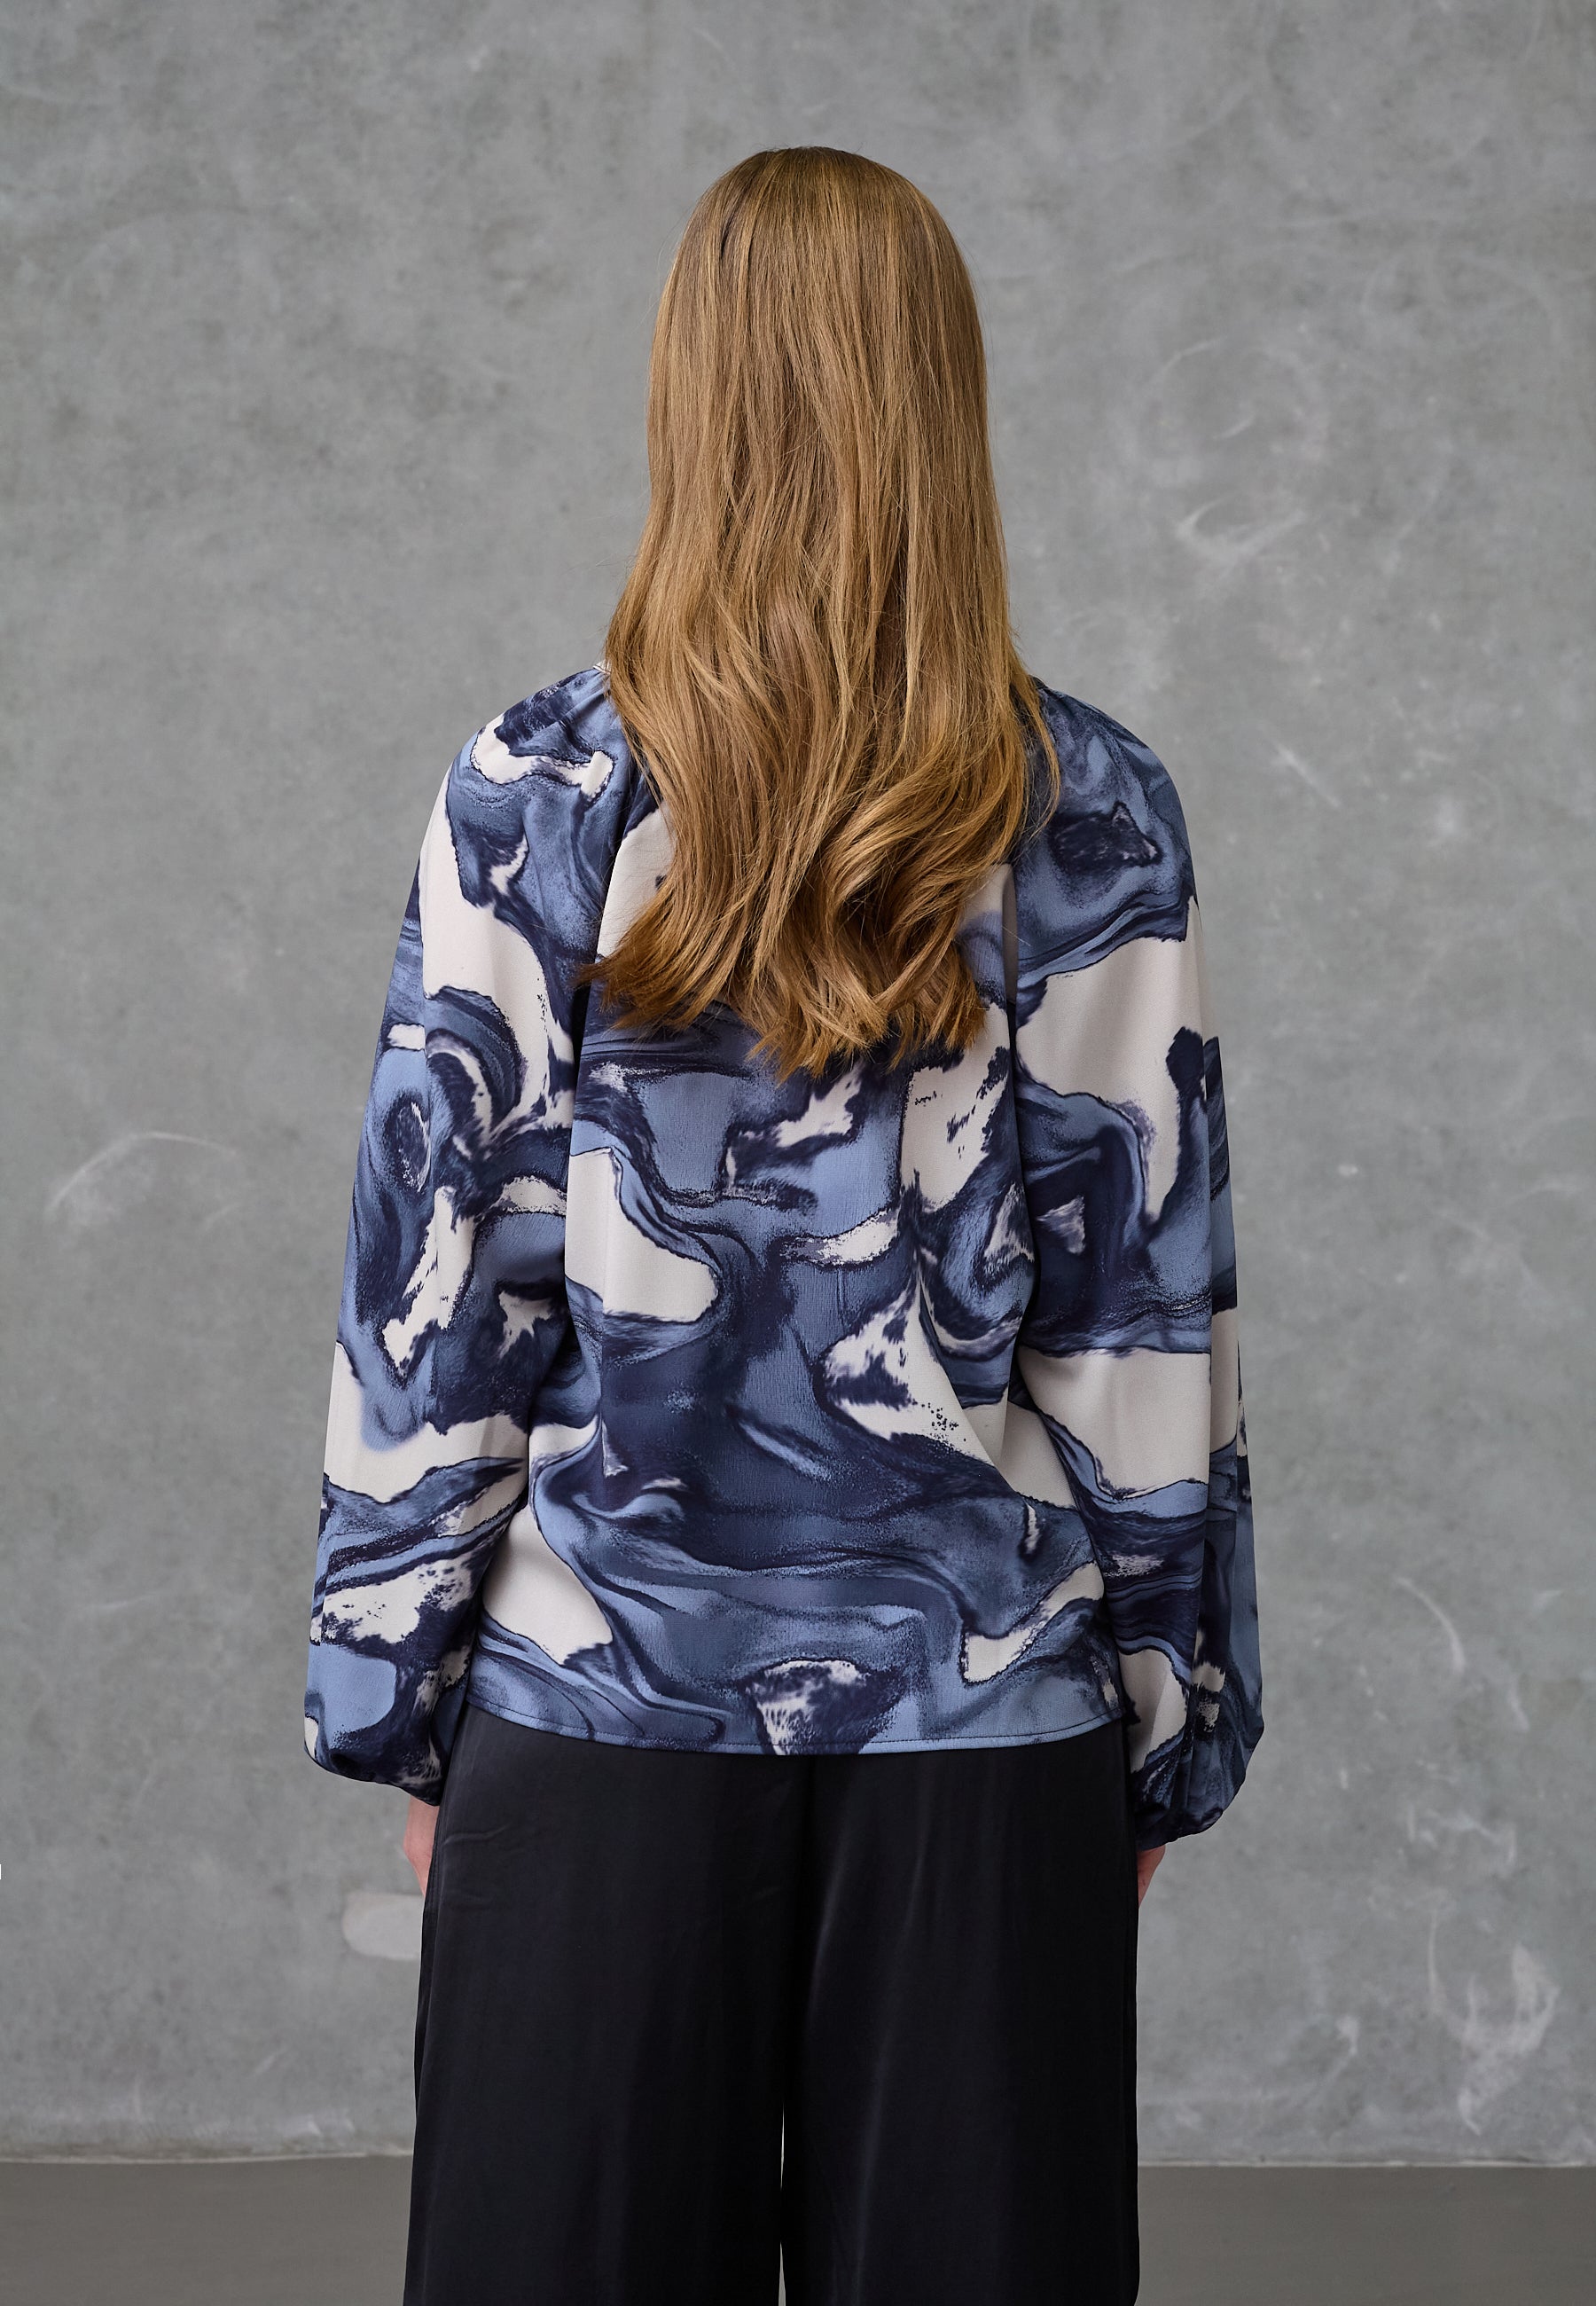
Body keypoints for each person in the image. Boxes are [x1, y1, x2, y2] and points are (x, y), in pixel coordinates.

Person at [303, 145, 1264, 2306]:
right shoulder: (1093, 810)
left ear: (688, 398)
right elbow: (1143, 1323)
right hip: (985, 1734)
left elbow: (436, 1298)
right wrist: (1162, 1719)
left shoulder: (532, 792)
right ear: (946, 406)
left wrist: (402, 1690)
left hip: (593, 1716)